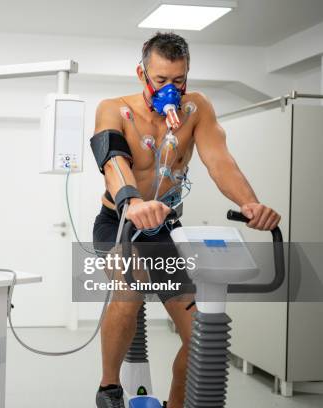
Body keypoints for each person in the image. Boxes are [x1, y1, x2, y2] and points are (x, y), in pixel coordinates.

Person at [92, 32, 281, 408]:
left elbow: (220, 161)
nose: (171, 90)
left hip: (165, 229)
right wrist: (132, 201)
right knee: (129, 294)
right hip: (120, 222)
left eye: (179, 81)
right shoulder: (114, 108)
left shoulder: (196, 110)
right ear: (141, 74)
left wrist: (251, 204)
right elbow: (113, 162)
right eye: (161, 80)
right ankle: (109, 388)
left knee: (200, 336)